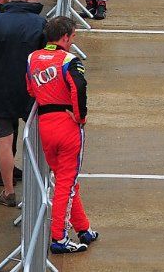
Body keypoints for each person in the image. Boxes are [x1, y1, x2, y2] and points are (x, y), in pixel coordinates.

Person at [27, 15, 97, 254]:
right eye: (72, 37)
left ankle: (83, 228)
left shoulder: (32, 57)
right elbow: (79, 88)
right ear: (65, 37)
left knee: (65, 180)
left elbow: (30, 88)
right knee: (65, 184)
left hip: (44, 124)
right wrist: (80, 117)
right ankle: (59, 237)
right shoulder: (69, 59)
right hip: (67, 126)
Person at [0, 0, 46, 208]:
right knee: (36, 141)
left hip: (0, 90)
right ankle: (38, 189)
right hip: (31, 90)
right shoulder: (39, 24)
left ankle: (8, 191)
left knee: (4, 141)